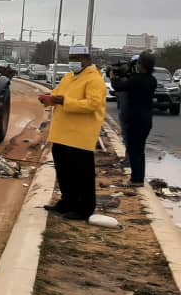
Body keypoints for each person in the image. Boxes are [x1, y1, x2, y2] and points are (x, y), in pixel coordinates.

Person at [39, 45, 107, 220]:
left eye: (76, 59)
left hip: (80, 136)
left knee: (82, 174)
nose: (72, 63)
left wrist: (64, 101)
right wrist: (50, 98)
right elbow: (58, 94)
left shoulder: (94, 79)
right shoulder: (70, 77)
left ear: (86, 59)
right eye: (71, 59)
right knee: (65, 171)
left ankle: (84, 208)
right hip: (63, 134)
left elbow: (93, 104)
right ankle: (67, 202)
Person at [110, 51, 157, 186]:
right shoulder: (151, 80)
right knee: (140, 150)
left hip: (135, 120)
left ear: (141, 65)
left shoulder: (136, 80)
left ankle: (136, 180)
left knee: (134, 150)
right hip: (146, 120)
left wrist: (113, 77)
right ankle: (139, 178)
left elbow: (118, 86)